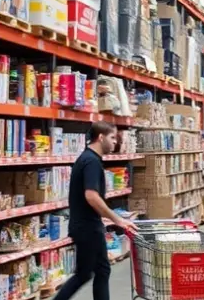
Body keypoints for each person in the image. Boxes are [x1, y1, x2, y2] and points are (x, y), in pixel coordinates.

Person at [53, 122, 138, 300]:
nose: (115, 142)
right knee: (85, 274)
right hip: (87, 227)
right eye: (112, 137)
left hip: (88, 225)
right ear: (100, 137)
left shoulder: (89, 159)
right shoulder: (91, 161)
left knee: (101, 270)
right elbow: (91, 196)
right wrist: (117, 219)